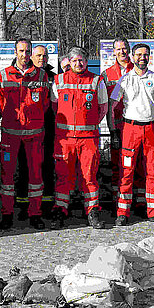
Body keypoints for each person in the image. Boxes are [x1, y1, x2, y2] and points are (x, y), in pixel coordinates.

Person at [110, 43, 154, 225]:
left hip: (151, 129)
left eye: (145, 54)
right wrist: (113, 130)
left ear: (149, 56)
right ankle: (122, 212)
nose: (142, 57)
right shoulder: (125, 79)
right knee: (126, 171)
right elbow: (111, 106)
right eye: (138, 54)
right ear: (132, 57)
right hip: (130, 130)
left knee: (152, 171)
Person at [0, 39, 50, 230]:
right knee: (7, 175)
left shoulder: (41, 75)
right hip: (11, 134)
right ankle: (7, 214)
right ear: (15, 52)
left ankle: (35, 214)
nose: (24, 55)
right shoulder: (3, 75)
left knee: (35, 175)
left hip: (35, 134)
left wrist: (33, 118)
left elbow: (46, 102)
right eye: (21, 51)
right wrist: (13, 117)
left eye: (27, 51)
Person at [51, 47, 110, 229]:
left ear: (86, 61)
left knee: (89, 176)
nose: (78, 63)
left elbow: (103, 108)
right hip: (65, 139)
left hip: (88, 139)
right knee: (63, 177)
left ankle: (92, 211)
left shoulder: (96, 80)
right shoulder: (59, 80)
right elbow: (55, 107)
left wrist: (89, 123)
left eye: (82, 60)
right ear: (69, 62)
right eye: (75, 60)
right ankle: (60, 210)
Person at [103, 39, 135, 201]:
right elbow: (105, 105)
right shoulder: (107, 74)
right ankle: (118, 200)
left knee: (136, 162)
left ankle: (137, 201)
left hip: (135, 125)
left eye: (124, 48)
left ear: (128, 50)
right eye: (118, 49)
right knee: (117, 163)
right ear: (113, 52)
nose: (122, 52)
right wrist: (111, 130)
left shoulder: (137, 70)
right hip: (116, 126)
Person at [32, 44, 57, 216]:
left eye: (45, 55)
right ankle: (26, 205)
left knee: (48, 165)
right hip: (29, 128)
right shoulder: (26, 75)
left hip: (49, 128)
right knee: (28, 167)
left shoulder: (54, 77)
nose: (42, 58)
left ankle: (47, 203)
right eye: (39, 55)